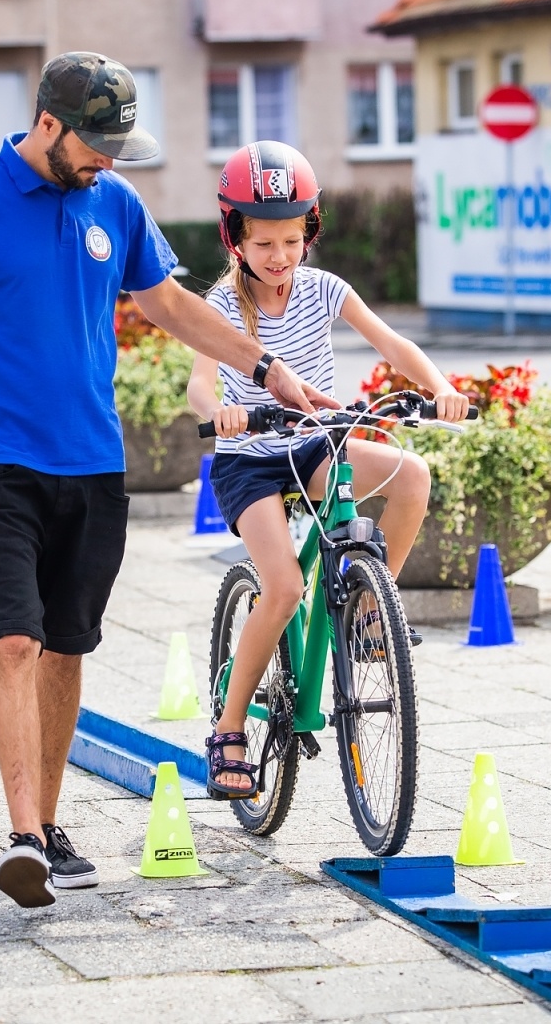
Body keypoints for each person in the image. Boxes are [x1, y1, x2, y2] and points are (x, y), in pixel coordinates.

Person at [0, 54, 334, 909]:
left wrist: (267, 367)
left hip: (93, 465)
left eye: (117, 147)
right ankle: (24, 837)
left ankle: (49, 821)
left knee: (67, 647)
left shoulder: (115, 202)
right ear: (48, 124)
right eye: (96, 145)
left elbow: (172, 307)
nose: (108, 161)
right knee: (13, 642)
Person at [185, 140, 469, 800]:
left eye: (292, 240)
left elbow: (392, 342)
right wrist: (219, 411)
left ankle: (369, 613)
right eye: (264, 243)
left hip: (316, 447)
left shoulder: (324, 290)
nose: (280, 256)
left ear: (309, 233)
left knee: (412, 476)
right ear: (235, 239)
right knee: (284, 587)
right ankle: (228, 729)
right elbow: (200, 383)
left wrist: (439, 386)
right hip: (251, 462)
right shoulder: (220, 306)